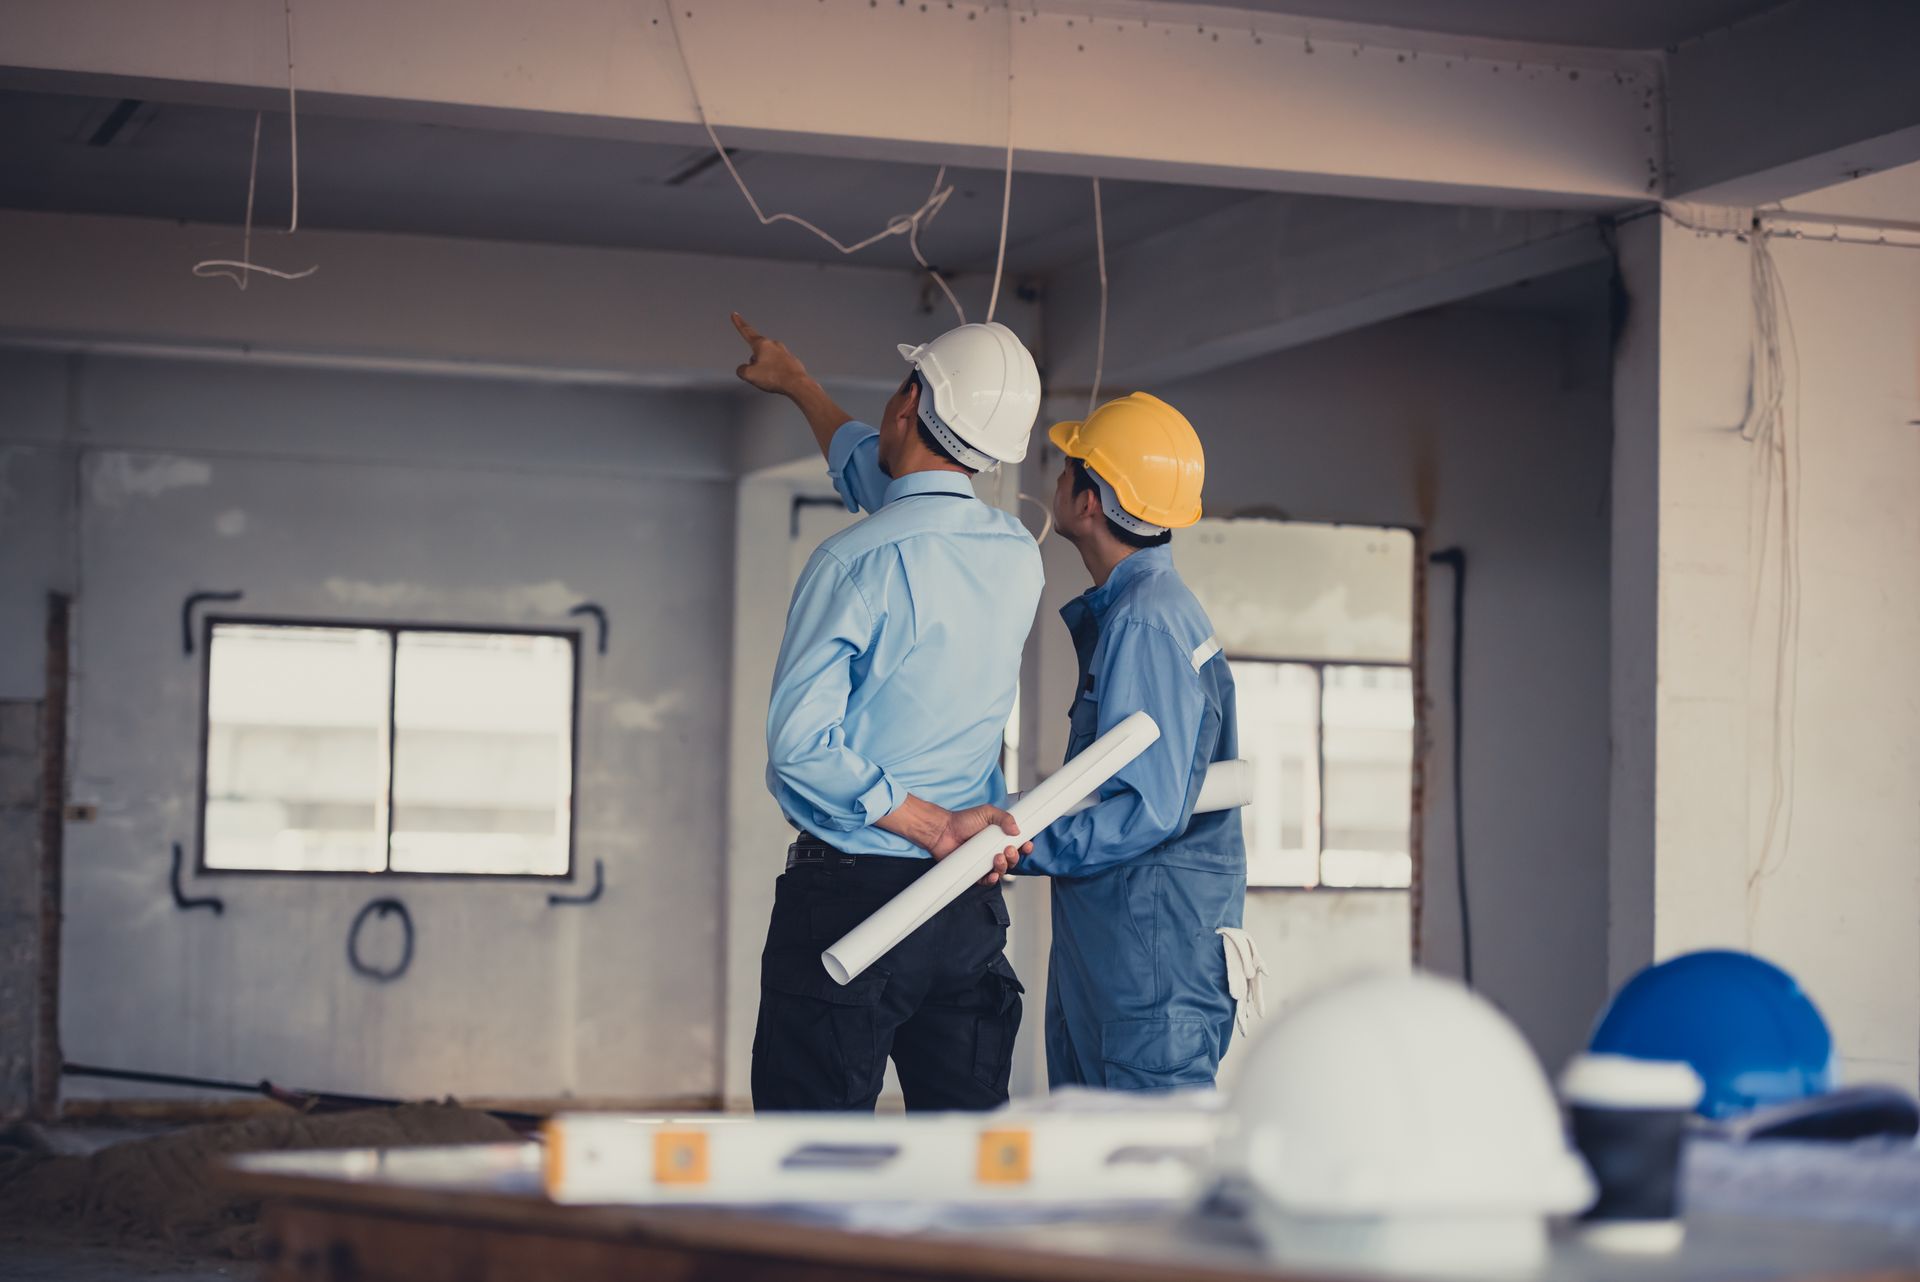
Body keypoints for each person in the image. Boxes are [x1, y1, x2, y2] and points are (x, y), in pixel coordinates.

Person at [732, 311, 1042, 1112]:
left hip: (855, 896)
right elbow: (891, 486)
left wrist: (931, 824)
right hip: (963, 904)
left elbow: (800, 748)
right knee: (966, 1166)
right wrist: (799, 385)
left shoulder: (851, 562)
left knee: (809, 1167)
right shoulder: (1016, 556)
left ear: (906, 404)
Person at [1018, 392, 1248, 1090]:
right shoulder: (1147, 610)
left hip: (1146, 973)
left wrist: (1017, 840)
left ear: (1090, 503)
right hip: (1125, 959)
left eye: (1067, 468)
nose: (1056, 481)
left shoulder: (1145, 622)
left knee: (1143, 1184)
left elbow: (1147, 806)